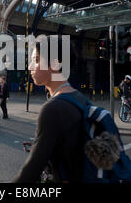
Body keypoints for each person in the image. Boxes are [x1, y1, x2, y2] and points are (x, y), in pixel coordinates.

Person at [13, 37, 84, 183]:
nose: (30, 66)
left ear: (55, 63)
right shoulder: (79, 97)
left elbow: (30, 172)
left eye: (37, 60)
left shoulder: (52, 109)